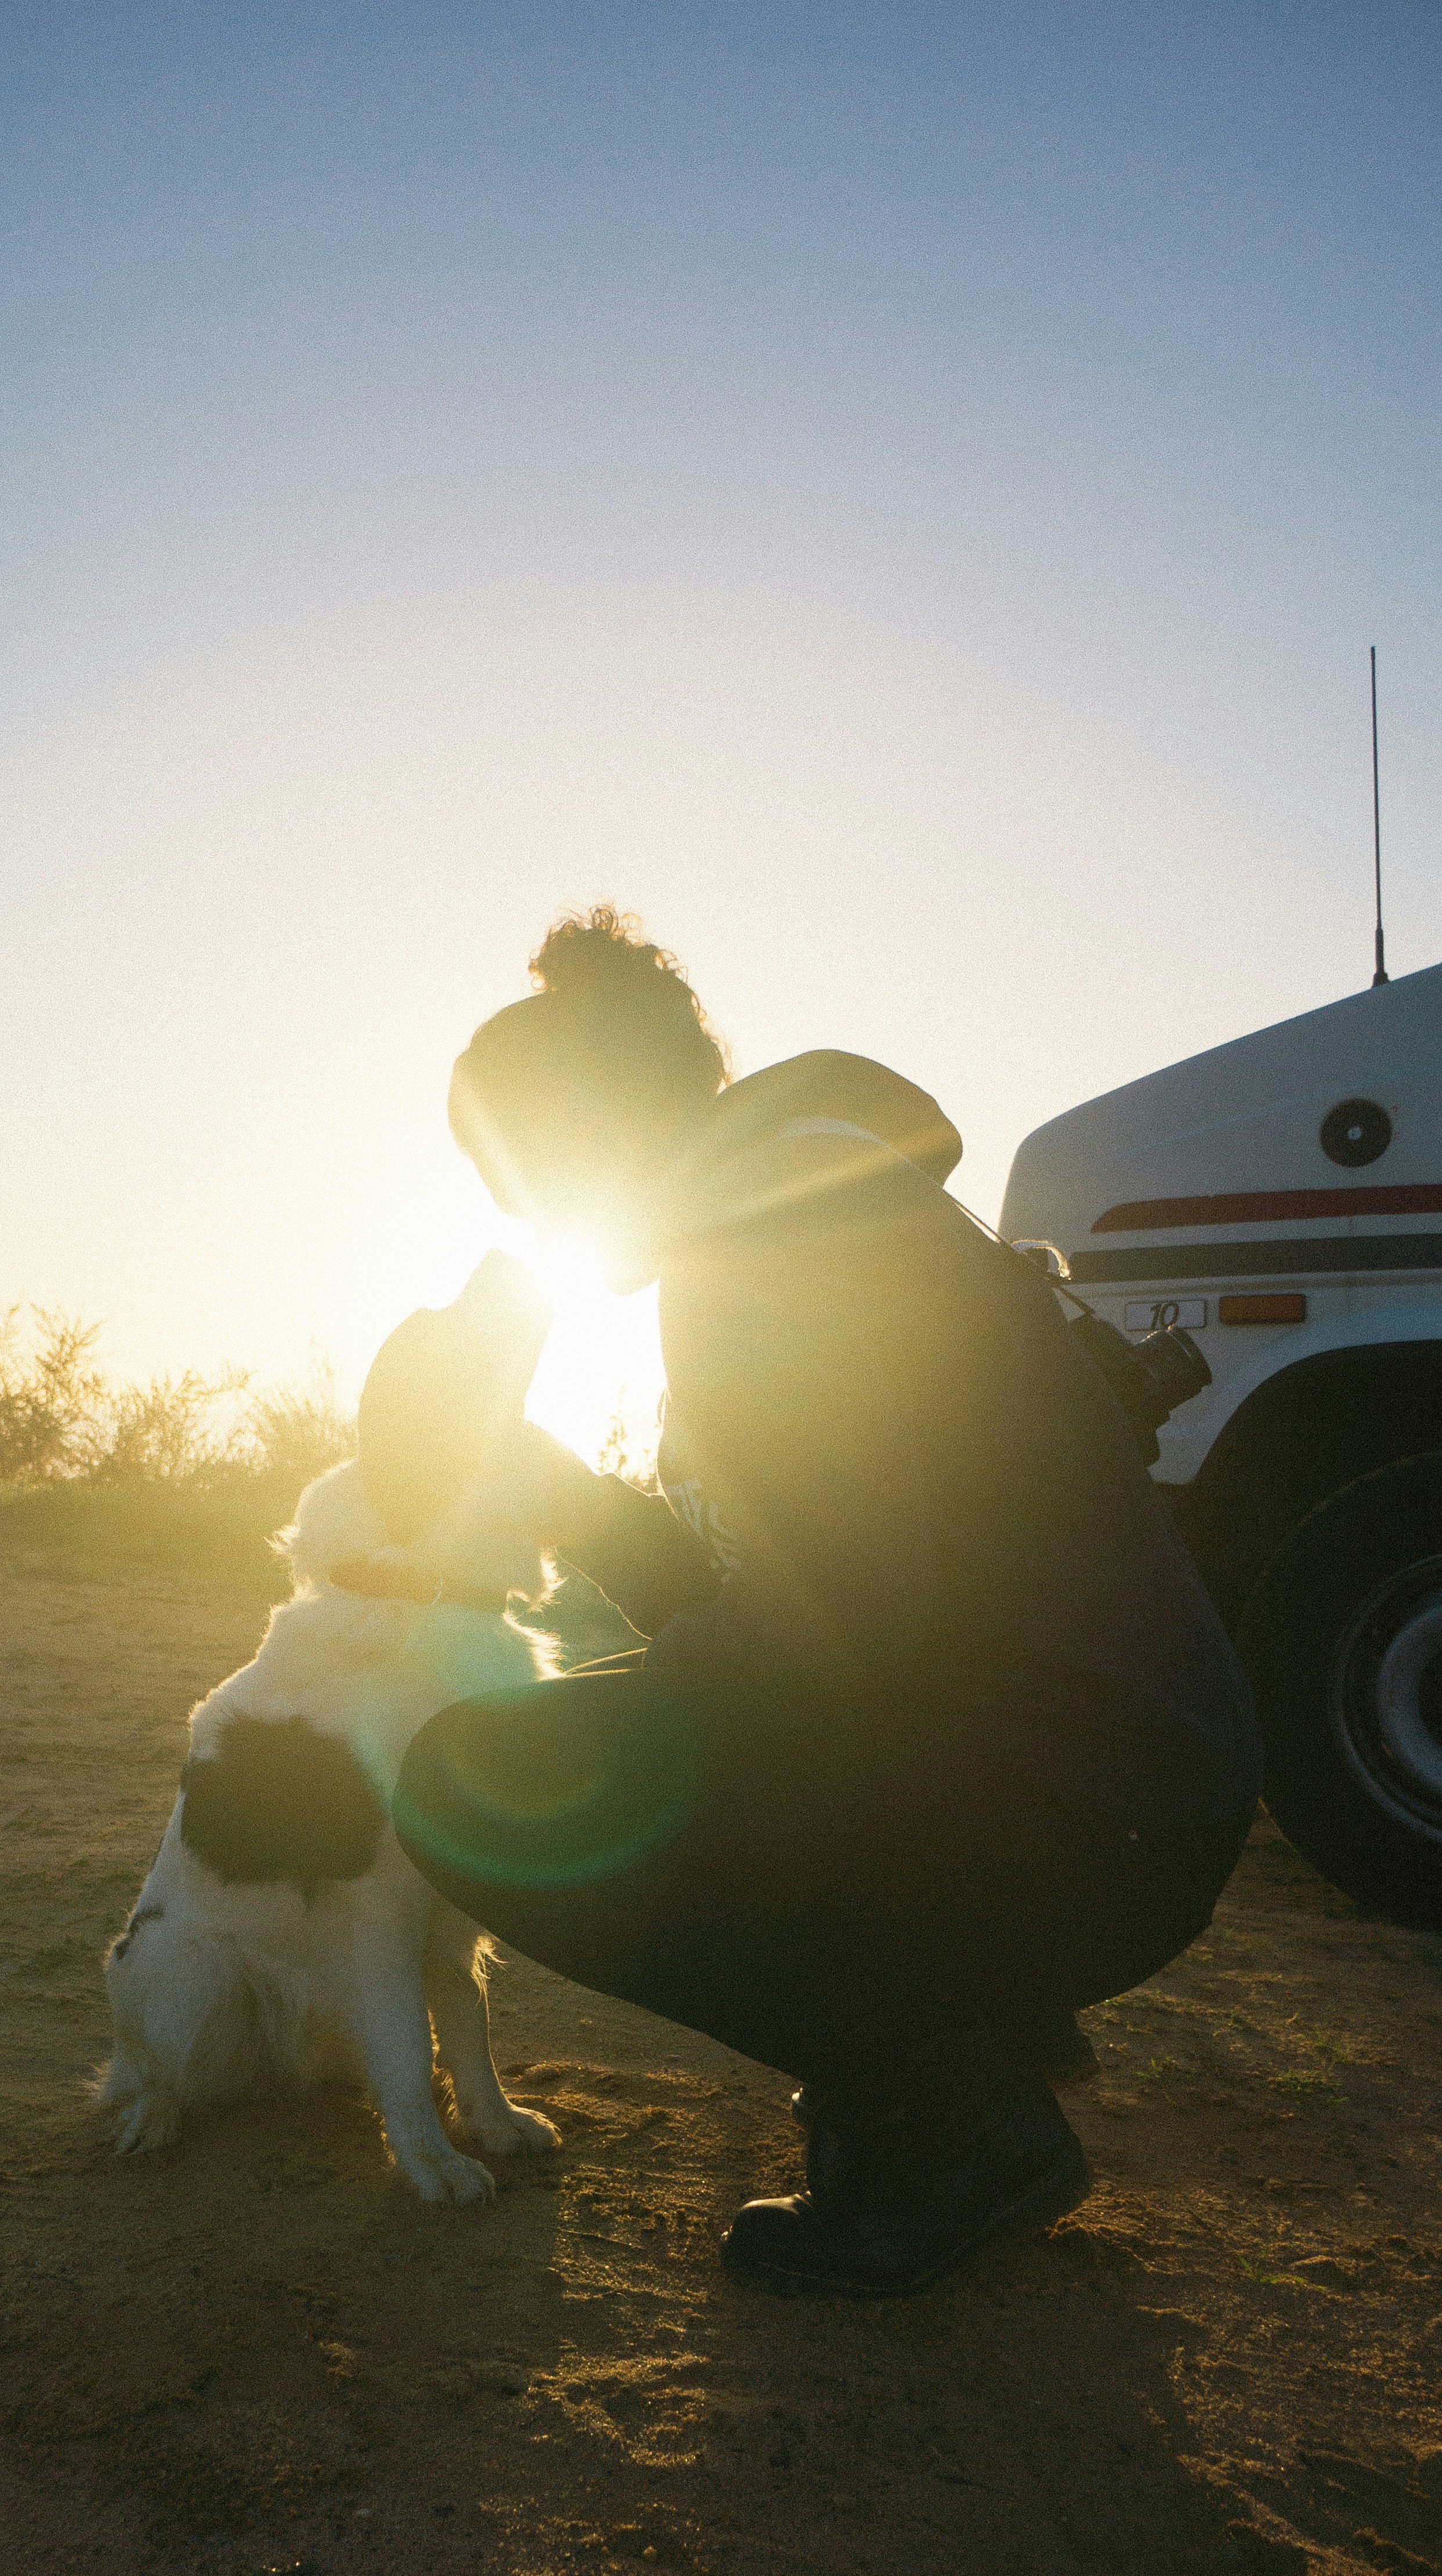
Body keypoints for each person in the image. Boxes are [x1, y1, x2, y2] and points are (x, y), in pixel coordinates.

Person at [381, 906, 1261, 2295]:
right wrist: (542, 1488)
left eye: (514, 1171)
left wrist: (611, 1728)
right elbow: (802, 1590)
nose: (515, 1214)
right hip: (1115, 1778)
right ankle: (959, 2024)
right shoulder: (805, 1194)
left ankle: (947, 2111)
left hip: (1081, 1811)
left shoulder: (767, 1246)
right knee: (628, 1740)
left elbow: (832, 1631)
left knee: (468, 1781)